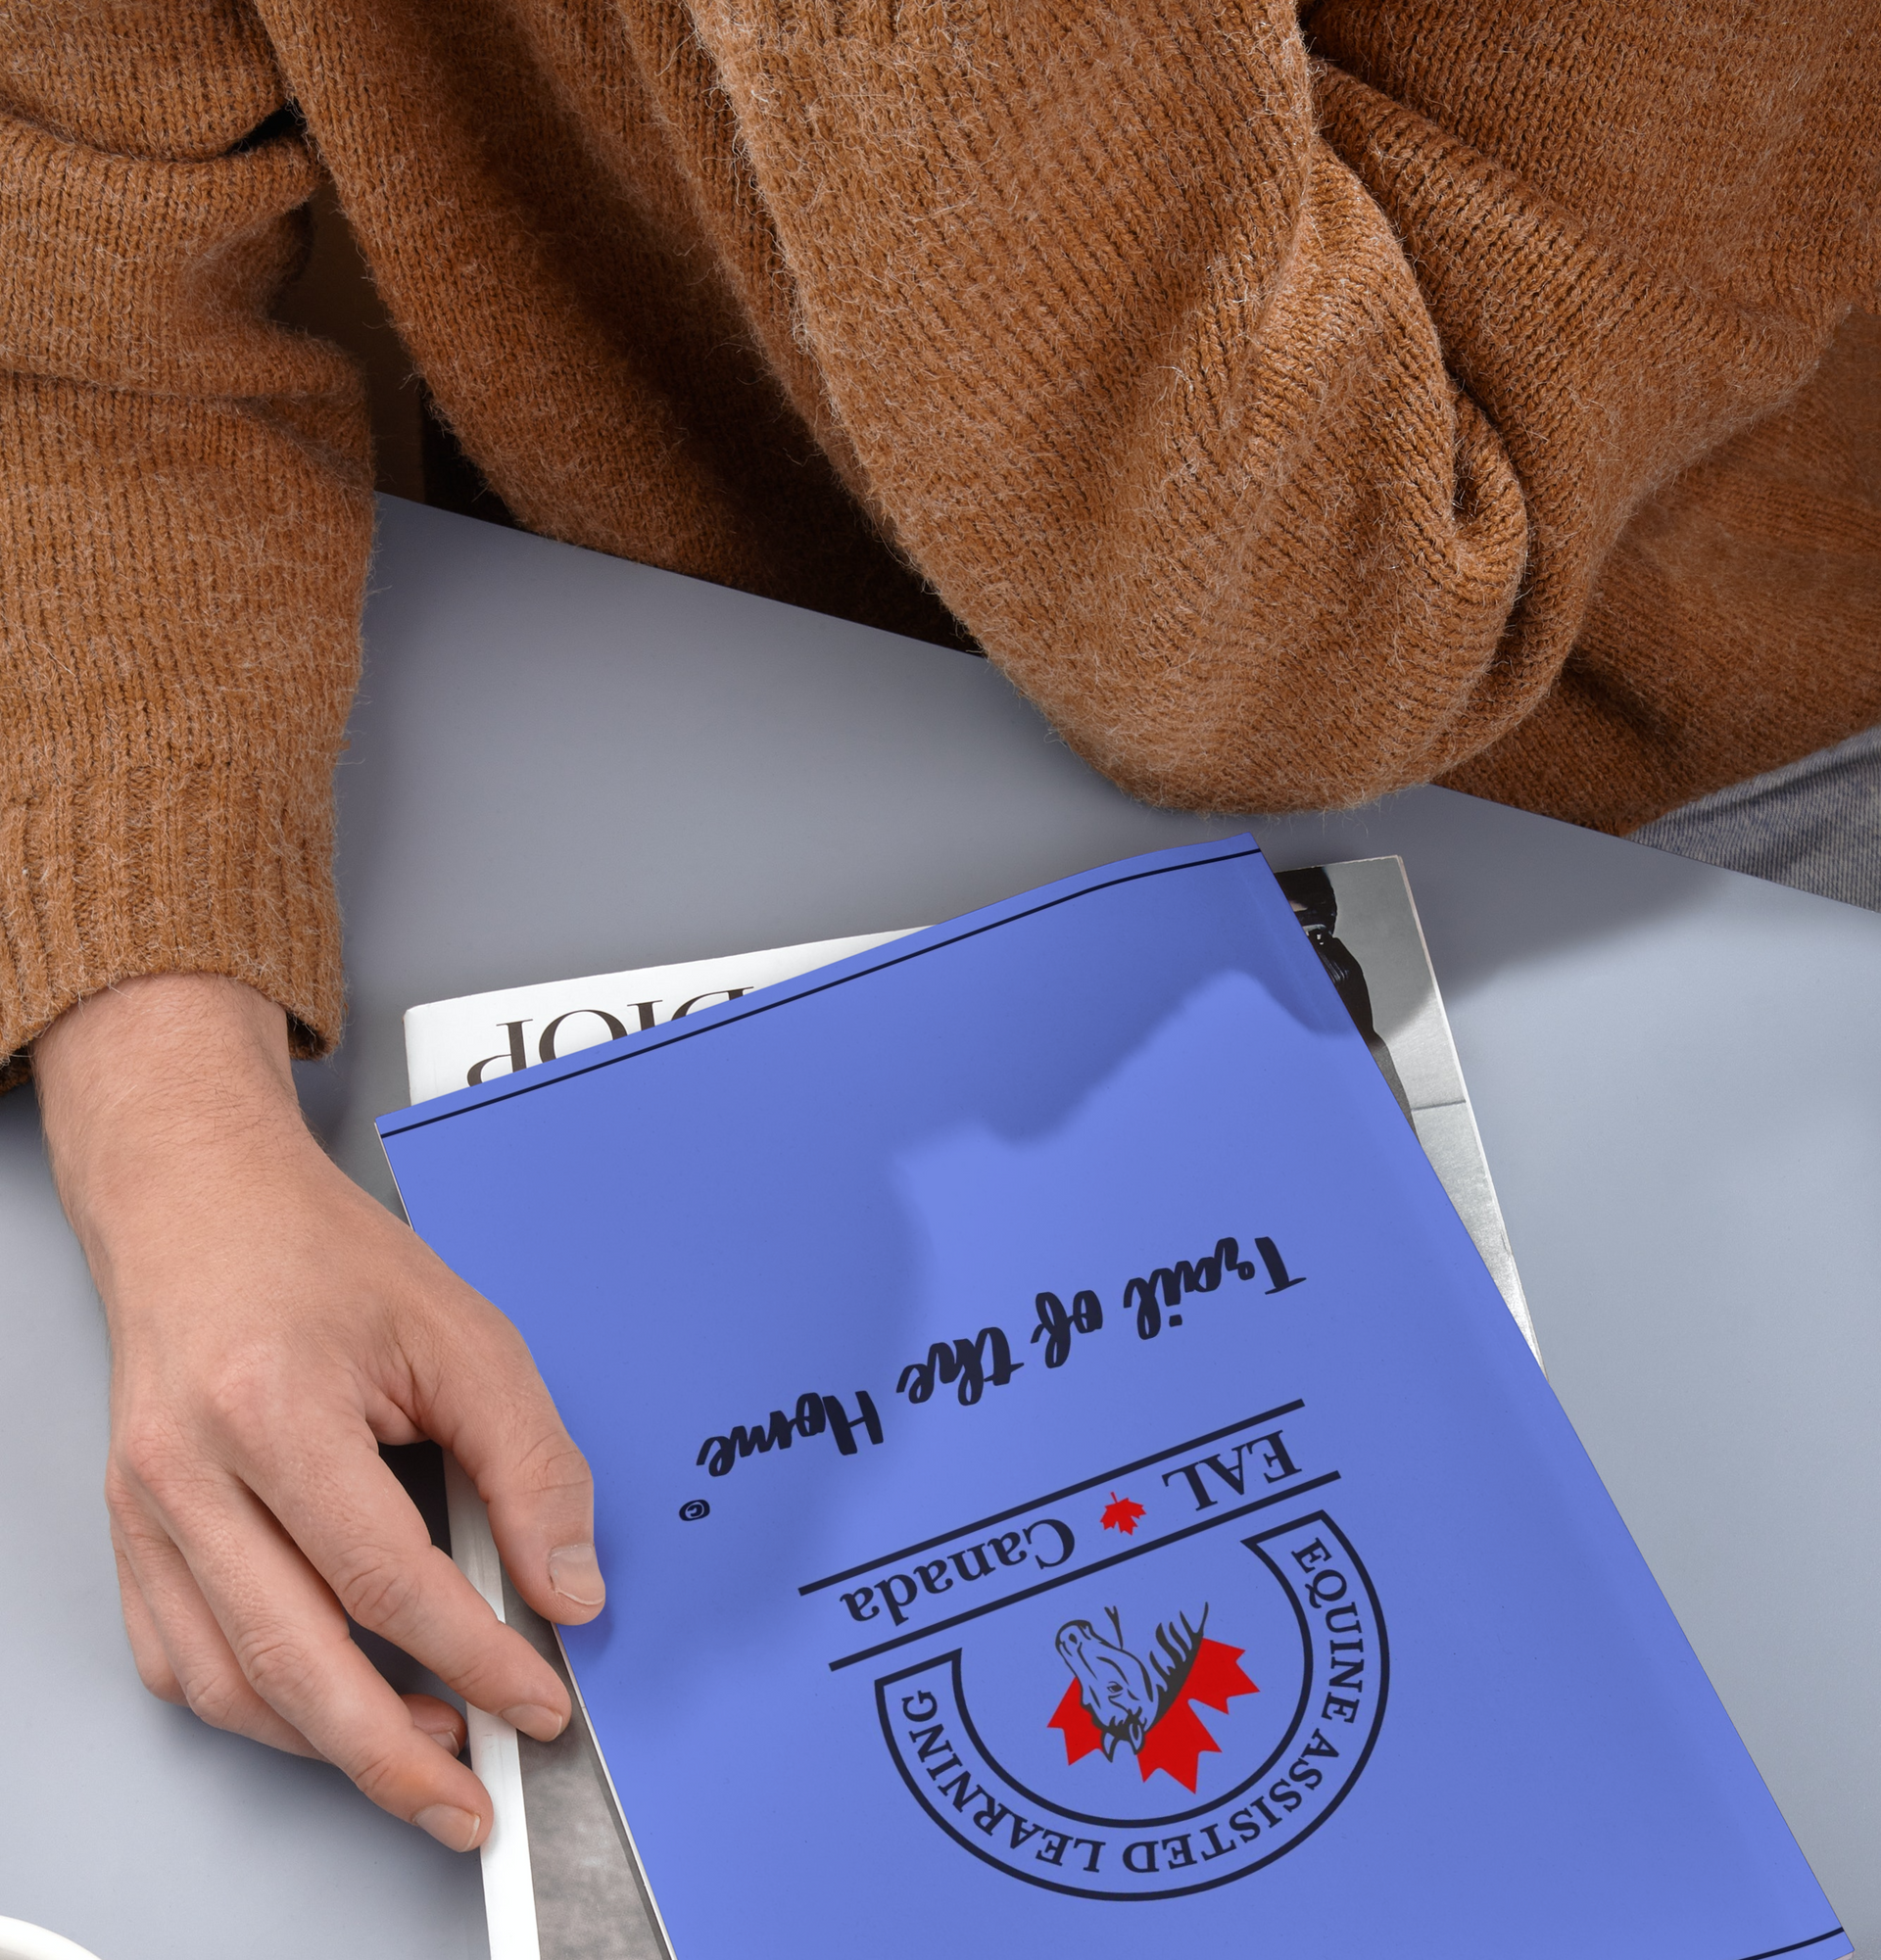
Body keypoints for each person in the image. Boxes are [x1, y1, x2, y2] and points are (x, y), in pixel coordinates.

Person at [6, 3, 1876, 1850]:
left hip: (1596, 809)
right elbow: (67, 308)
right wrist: (165, 1116)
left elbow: (1290, 648)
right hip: (686, 704)